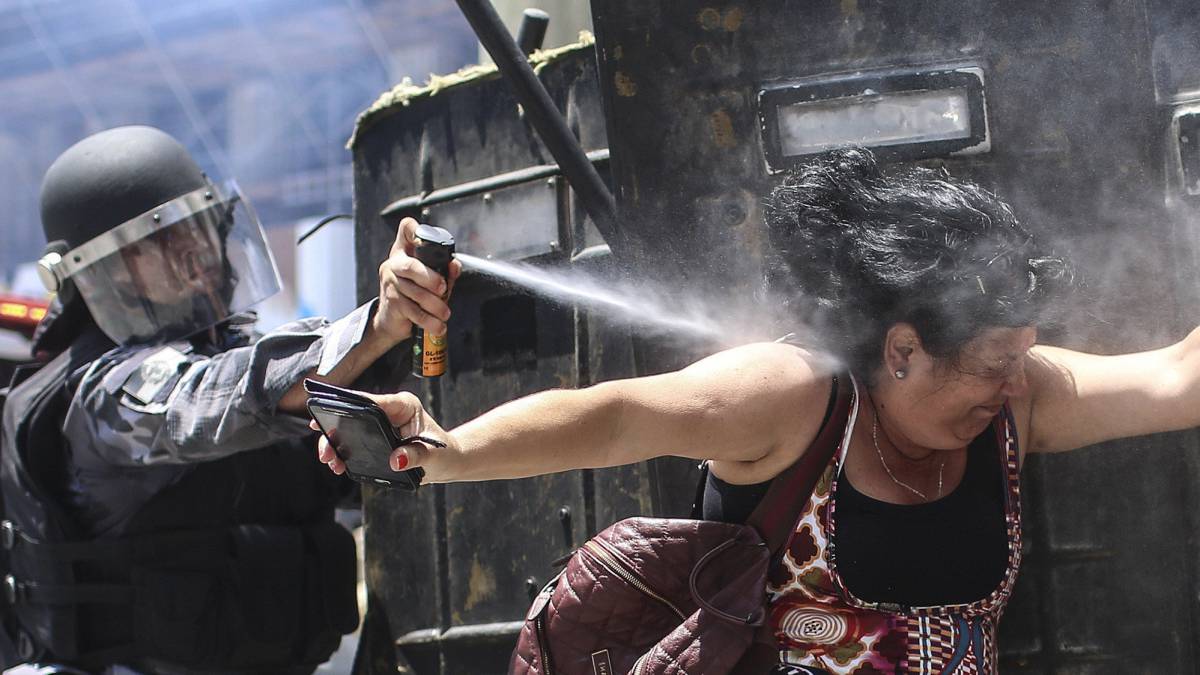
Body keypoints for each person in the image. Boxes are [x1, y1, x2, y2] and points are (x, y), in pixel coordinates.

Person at [318, 147, 1200, 673]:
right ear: (902, 350)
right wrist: (449, 449)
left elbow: (1178, 377)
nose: (1019, 380)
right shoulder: (796, 397)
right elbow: (616, 416)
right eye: (996, 363)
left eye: (1022, 357)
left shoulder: (1017, 402)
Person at [0, 125, 448, 674]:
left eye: (198, 226)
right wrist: (376, 327)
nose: (192, 251)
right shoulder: (100, 392)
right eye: (156, 242)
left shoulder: (247, 358)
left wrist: (420, 324)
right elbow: (215, 400)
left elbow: (390, 458)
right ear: (97, 275)